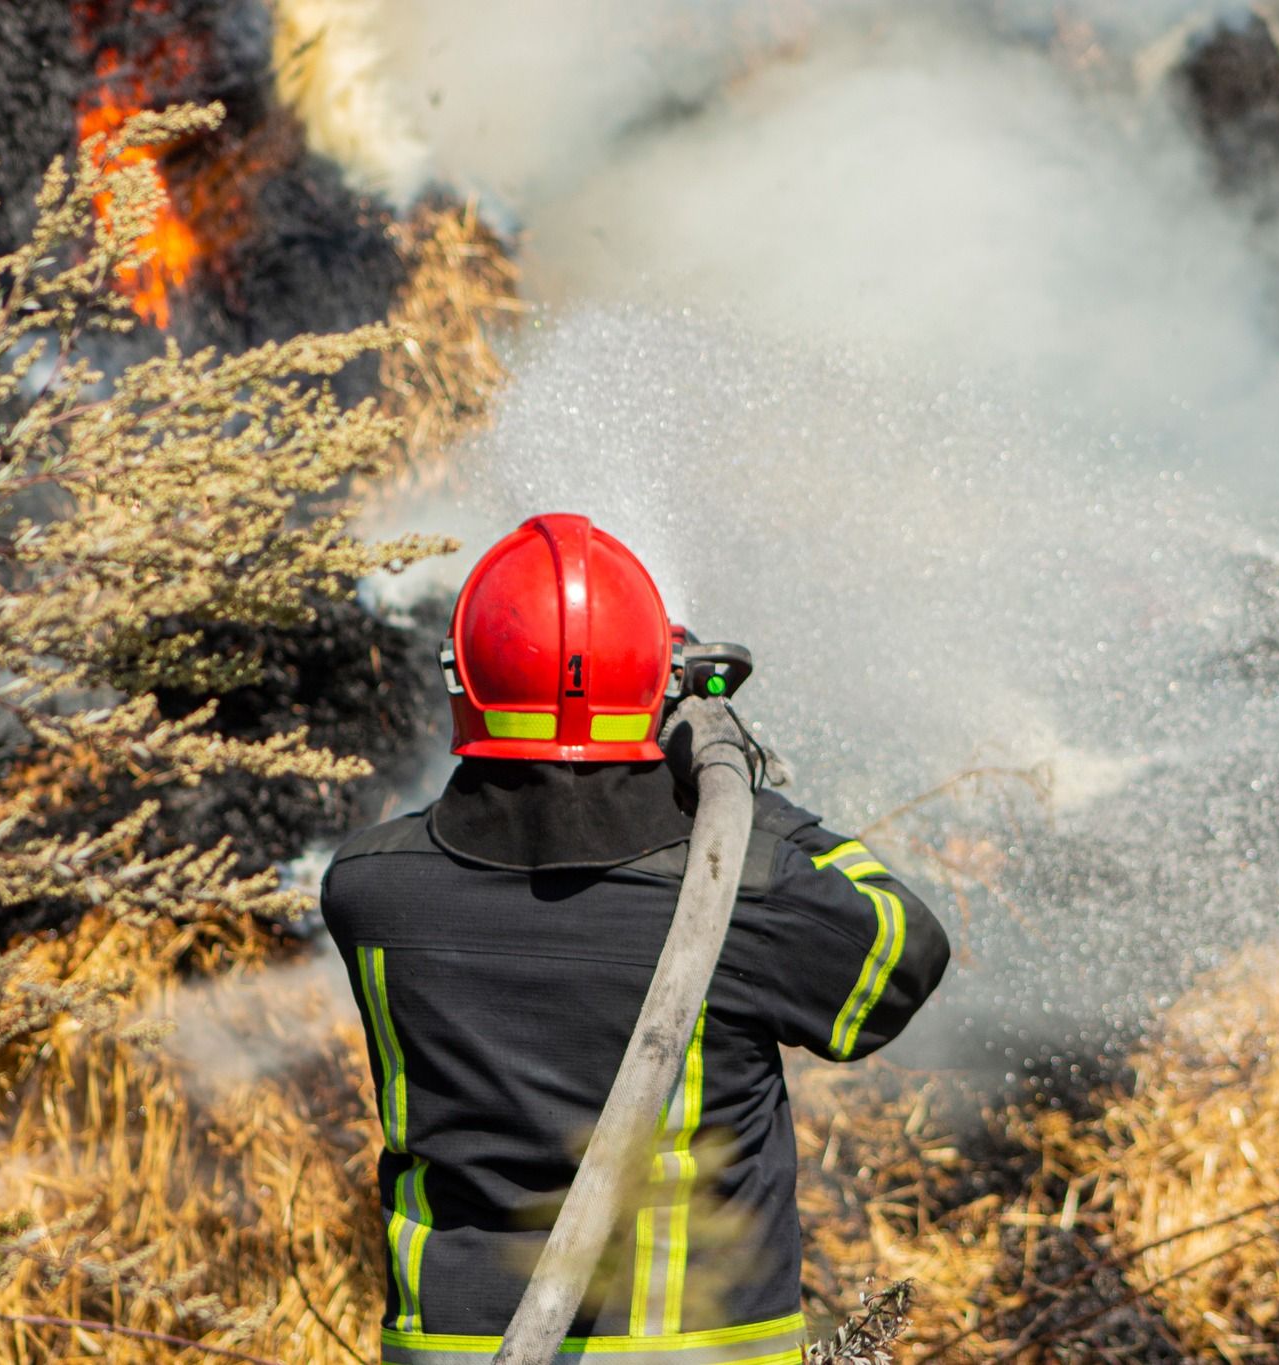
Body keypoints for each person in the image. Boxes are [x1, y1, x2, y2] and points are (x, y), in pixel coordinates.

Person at [320, 513, 950, 1364]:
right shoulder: (739, 892)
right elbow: (901, 954)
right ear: (654, 686)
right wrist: (737, 791)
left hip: (453, 1344)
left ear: (462, 682)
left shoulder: (369, 889)